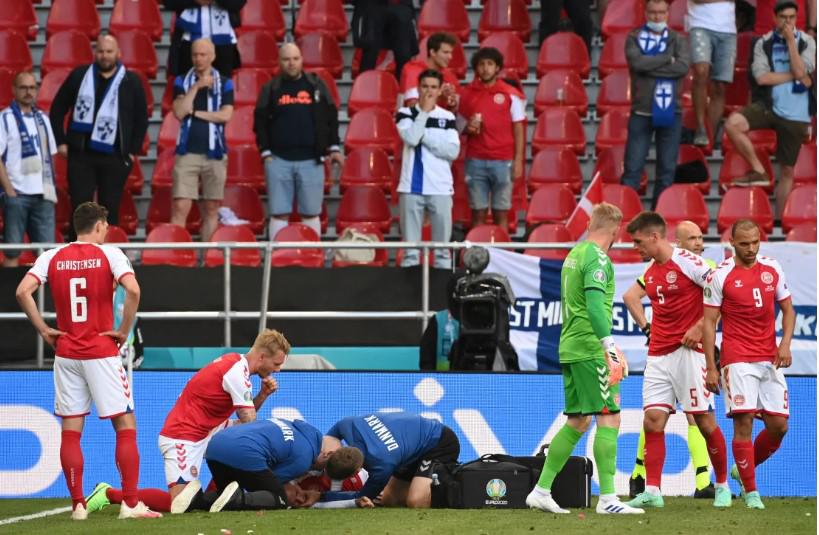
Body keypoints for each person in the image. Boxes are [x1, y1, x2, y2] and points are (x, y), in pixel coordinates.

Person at [15, 202, 160, 520]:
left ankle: (78, 505)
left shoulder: (51, 256)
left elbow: (23, 291)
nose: (107, 230)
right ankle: (131, 503)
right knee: (124, 425)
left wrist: (43, 329)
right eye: (106, 225)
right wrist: (123, 330)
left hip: (66, 352)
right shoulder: (110, 254)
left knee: (71, 429)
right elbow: (133, 290)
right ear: (97, 226)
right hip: (101, 351)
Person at [84, 329, 290, 515]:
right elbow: (249, 421)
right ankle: (109, 493)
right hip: (183, 435)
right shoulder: (236, 371)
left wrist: (262, 395)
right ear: (262, 356)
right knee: (179, 503)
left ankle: (222, 498)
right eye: (277, 364)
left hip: (208, 429)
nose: (278, 370)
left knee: (235, 441)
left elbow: (245, 423)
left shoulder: (237, 365)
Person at [526, 203, 643, 515]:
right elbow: (594, 307)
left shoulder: (574, 255)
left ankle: (541, 490)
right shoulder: (598, 258)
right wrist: (610, 346)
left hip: (570, 346)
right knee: (610, 416)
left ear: (591, 224)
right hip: (591, 348)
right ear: (615, 231)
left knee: (578, 420)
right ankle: (608, 499)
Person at [620, 212, 730, 510]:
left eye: (638, 241)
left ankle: (721, 485)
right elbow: (630, 297)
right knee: (653, 421)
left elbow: (721, 289)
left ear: (654, 237)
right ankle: (653, 490)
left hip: (689, 355)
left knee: (705, 422)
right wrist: (647, 327)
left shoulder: (687, 262)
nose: (635, 248)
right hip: (658, 354)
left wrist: (700, 325)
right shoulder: (652, 271)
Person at [703, 219, 795, 510]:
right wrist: (712, 366)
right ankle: (752, 492)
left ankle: (742, 469)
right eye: (745, 243)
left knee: (779, 426)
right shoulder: (721, 275)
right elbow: (708, 323)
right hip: (737, 358)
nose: (751, 248)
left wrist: (785, 343)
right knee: (743, 424)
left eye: (755, 242)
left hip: (770, 357)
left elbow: (788, 309)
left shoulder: (773, 268)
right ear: (732, 243)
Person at [50, 35, 148, 239]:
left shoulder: (131, 81)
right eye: (101, 51)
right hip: (81, 155)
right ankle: (75, 254)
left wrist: (132, 151)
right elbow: (58, 108)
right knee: (80, 208)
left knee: (109, 209)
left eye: (109, 51)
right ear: (95, 53)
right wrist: (60, 141)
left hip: (115, 157)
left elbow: (142, 118)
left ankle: (107, 258)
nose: (105, 56)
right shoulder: (79, 76)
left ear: (118, 53)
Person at [724, 0, 816, 216]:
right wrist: (796, 76)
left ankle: (779, 221)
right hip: (768, 106)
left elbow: (804, 69)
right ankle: (758, 169)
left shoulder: (808, 42)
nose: (787, 22)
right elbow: (762, 78)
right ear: (775, 19)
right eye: (783, 18)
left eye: (792, 18)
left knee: (787, 170)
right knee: (733, 124)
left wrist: (791, 44)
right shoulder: (763, 43)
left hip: (796, 112)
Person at [254, 43, 343, 239]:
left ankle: (313, 257)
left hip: (311, 160)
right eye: (286, 59)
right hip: (278, 160)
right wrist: (265, 151)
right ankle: (277, 256)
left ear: (302, 60)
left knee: (311, 212)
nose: (291, 63)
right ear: (279, 62)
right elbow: (259, 121)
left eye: (295, 59)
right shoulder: (270, 88)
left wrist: (334, 146)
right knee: (279, 213)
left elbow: (331, 116)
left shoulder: (316, 85)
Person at [621, 0, 690, 208]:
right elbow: (637, 63)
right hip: (641, 111)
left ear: (668, 13)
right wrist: (667, 59)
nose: (657, 17)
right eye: (652, 13)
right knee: (632, 168)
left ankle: (657, 216)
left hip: (672, 112)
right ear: (645, 13)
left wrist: (650, 65)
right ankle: (627, 216)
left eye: (661, 13)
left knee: (667, 170)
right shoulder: (634, 37)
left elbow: (682, 68)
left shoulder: (679, 39)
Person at [319, 411, 461, 508]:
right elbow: (328, 440)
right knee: (389, 500)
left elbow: (360, 498)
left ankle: (460, 489)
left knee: (415, 501)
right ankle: (422, 485)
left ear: (356, 472)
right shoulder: (347, 424)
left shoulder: (382, 466)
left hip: (439, 443)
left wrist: (320, 497)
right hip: (410, 450)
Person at [171, 38, 234, 242]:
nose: (198, 59)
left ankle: (209, 257)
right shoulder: (182, 81)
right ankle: (175, 256)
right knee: (181, 205)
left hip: (215, 151)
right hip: (187, 150)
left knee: (211, 208)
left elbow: (225, 115)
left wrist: (196, 113)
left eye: (203, 54)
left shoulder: (226, 82)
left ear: (213, 56)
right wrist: (196, 87)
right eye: (195, 55)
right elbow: (180, 112)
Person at [396, 70, 460, 269]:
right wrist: (423, 112)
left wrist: (426, 138)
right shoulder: (405, 113)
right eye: (425, 86)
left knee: (442, 252)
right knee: (411, 252)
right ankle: (409, 294)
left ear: (440, 90)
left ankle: (441, 292)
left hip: (440, 187)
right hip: (411, 186)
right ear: (418, 88)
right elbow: (411, 138)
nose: (429, 91)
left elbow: (453, 151)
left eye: (433, 87)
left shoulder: (447, 117)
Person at [457, 47, 526, 231]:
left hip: (503, 161)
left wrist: (518, 160)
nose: (485, 68)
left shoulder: (511, 94)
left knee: (500, 213)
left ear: (497, 68)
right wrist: (467, 129)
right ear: (476, 68)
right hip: (475, 160)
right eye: (481, 64)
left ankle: (500, 258)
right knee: (477, 213)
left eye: (489, 64)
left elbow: (519, 127)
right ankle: (476, 258)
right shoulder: (467, 94)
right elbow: (459, 126)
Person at [200, 418, 329, 512]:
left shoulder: (288, 423)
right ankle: (236, 500)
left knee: (225, 495)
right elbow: (272, 480)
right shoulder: (304, 459)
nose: (313, 472)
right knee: (279, 498)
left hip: (214, 446)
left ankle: (195, 501)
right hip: (243, 453)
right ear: (324, 455)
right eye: (322, 469)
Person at [0, 72, 58, 267]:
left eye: (32, 88)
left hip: (43, 196)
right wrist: (9, 190)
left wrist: (49, 188)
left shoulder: (43, 119)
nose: (28, 92)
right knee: (12, 251)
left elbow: (51, 156)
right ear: (14, 90)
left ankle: (45, 299)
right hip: (17, 194)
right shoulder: (4, 118)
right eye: (23, 87)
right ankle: (8, 296)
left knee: (47, 254)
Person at [688, 0, 737, 147]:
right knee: (701, 71)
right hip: (700, 25)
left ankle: (710, 134)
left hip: (728, 30)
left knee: (720, 85)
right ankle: (700, 128)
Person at [164, 0, 245, 78]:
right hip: (188, 41)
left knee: (222, 86)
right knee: (188, 86)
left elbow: (238, 3)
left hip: (223, 43)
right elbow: (169, 2)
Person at [352, 0, 418, 81]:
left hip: (400, 6)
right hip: (370, 7)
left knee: (404, 55)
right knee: (369, 52)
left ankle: (402, 89)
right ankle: (364, 87)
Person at [398, 32, 460, 109]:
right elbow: (412, 108)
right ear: (432, 52)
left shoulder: (450, 76)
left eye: (451, 52)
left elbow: (452, 115)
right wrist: (438, 95)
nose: (450, 57)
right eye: (445, 52)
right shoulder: (413, 71)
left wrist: (450, 103)